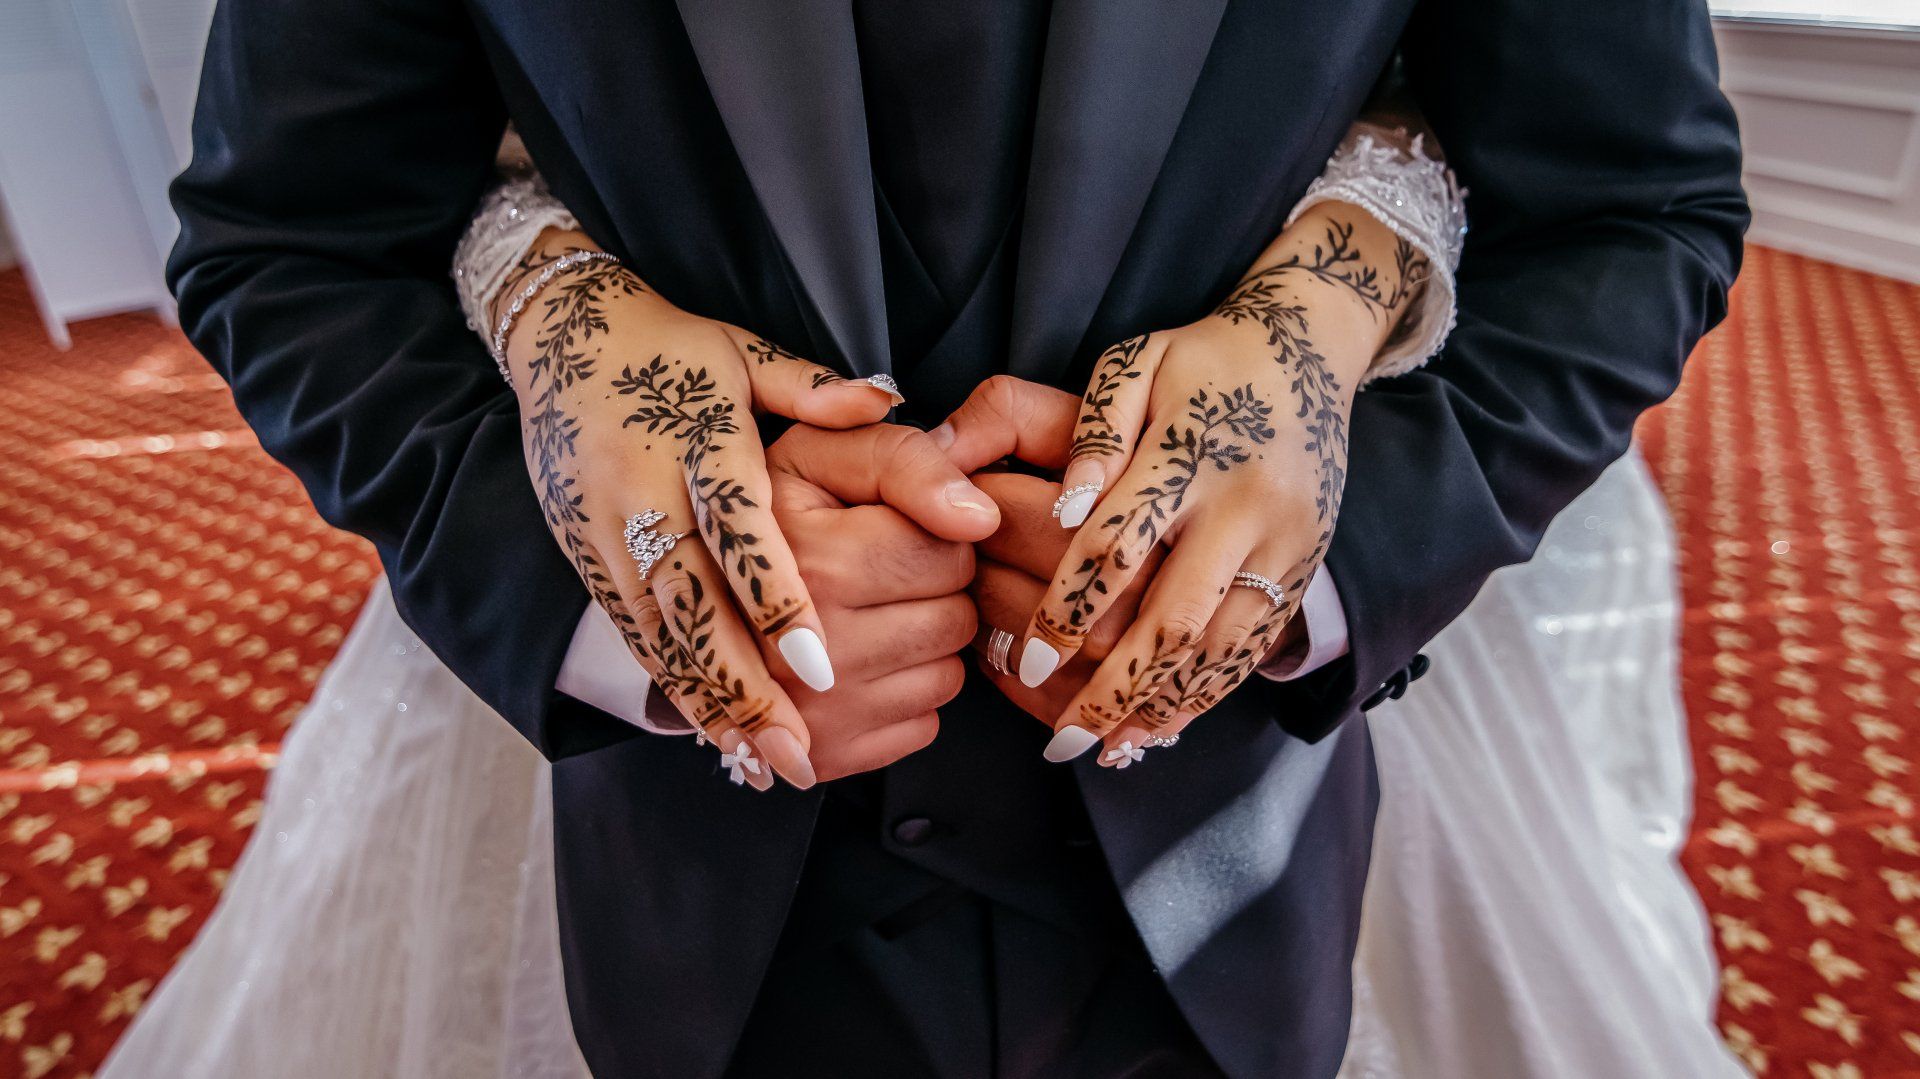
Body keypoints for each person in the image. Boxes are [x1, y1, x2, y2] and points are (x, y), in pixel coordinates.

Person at [115, 1, 1748, 1075]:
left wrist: (1325, 555)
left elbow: (1628, 210)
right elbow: (291, 236)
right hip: (706, 893)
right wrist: (618, 612)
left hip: (1229, 864)